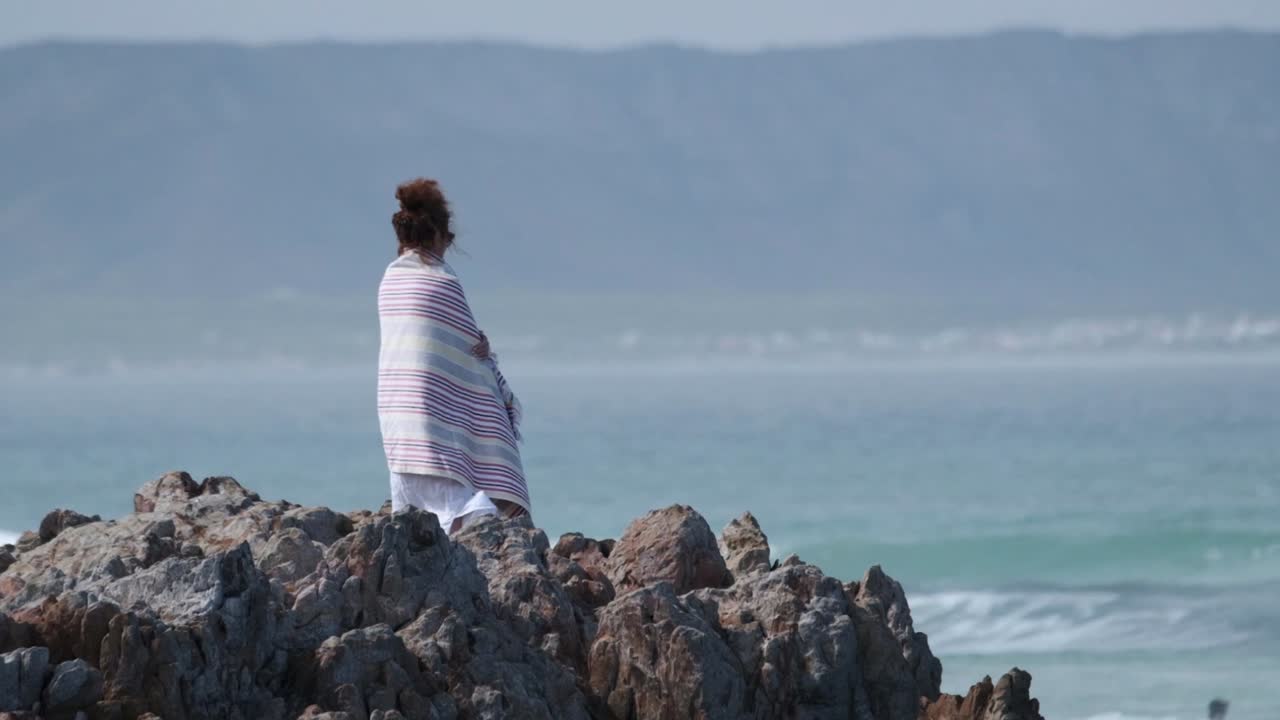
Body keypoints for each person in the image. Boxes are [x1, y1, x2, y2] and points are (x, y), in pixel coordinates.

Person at [377, 178, 530, 534]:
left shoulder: (390, 281)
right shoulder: (443, 283)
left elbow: (435, 346)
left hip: (400, 428)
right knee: (475, 518)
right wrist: (486, 355)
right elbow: (470, 356)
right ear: (437, 235)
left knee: (414, 531)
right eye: (449, 237)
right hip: (436, 438)